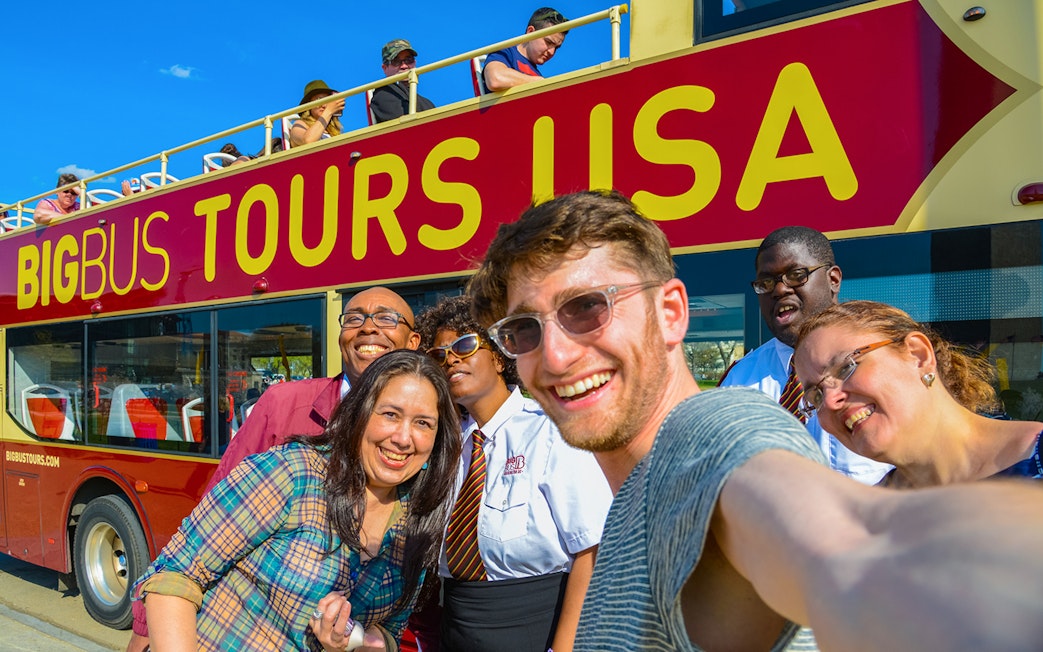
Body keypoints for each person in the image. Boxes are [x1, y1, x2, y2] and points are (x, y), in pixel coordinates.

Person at [467, 189, 1043, 651]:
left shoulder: (715, 428)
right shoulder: (632, 501)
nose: (557, 356)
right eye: (525, 331)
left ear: (670, 314)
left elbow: (830, 533)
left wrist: (875, 565)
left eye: (586, 308)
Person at [125, 286, 421, 652]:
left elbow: (390, 627)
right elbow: (196, 543)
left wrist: (368, 641)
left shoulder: (415, 491)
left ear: (414, 340)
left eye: (387, 318)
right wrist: (146, 631)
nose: (368, 328)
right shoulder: (284, 407)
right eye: (355, 317)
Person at [415, 295, 610, 652]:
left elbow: (592, 550)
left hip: (537, 627)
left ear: (498, 353)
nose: (451, 360)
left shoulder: (551, 432)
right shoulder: (445, 445)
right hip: (457, 626)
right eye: (440, 355)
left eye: (464, 345)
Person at [794, 299, 1042, 488]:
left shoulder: (1035, 458)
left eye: (846, 367)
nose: (829, 400)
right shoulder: (868, 520)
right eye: (815, 396)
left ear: (918, 355)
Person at [719, 226, 891, 485]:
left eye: (796, 275)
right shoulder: (739, 380)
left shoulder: (886, 362)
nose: (778, 290)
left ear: (833, 280)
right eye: (766, 283)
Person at [482, 8, 568, 92]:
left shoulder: (537, 75)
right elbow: (495, 79)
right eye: (548, 42)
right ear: (530, 32)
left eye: (556, 47)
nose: (552, 52)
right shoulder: (505, 52)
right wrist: (539, 83)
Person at [371, 39, 436, 123]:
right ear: (385, 68)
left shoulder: (427, 103)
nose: (404, 66)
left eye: (409, 60)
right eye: (396, 61)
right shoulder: (383, 94)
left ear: (414, 63)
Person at [290, 80, 345, 148]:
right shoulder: (300, 124)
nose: (324, 105)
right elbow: (308, 141)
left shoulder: (332, 130)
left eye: (327, 100)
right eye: (319, 100)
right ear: (308, 105)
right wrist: (328, 111)